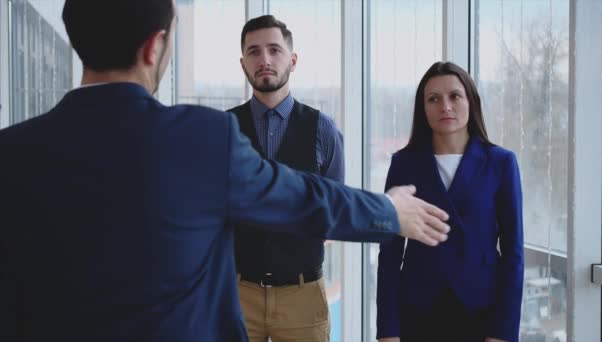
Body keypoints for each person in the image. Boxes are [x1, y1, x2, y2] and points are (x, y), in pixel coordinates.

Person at [0, 1, 451, 341]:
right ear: (155, 46)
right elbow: (301, 196)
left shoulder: (11, 152)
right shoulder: (203, 136)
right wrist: (388, 211)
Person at [376, 62, 524, 342]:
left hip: (481, 310)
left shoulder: (501, 163)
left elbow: (513, 253)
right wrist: (388, 331)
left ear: (471, 101)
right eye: (434, 99)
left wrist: (503, 332)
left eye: (455, 96)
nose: (445, 106)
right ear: (423, 108)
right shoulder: (404, 163)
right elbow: (390, 252)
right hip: (418, 310)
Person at [227, 15, 343, 342]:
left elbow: (334, 211)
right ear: (243, 64)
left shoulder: (324, 129)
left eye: (274, 50)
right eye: (254, 52)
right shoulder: (223, 129)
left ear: (293, 60)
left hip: (303, 298)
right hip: (236, 294)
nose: (264, 59)